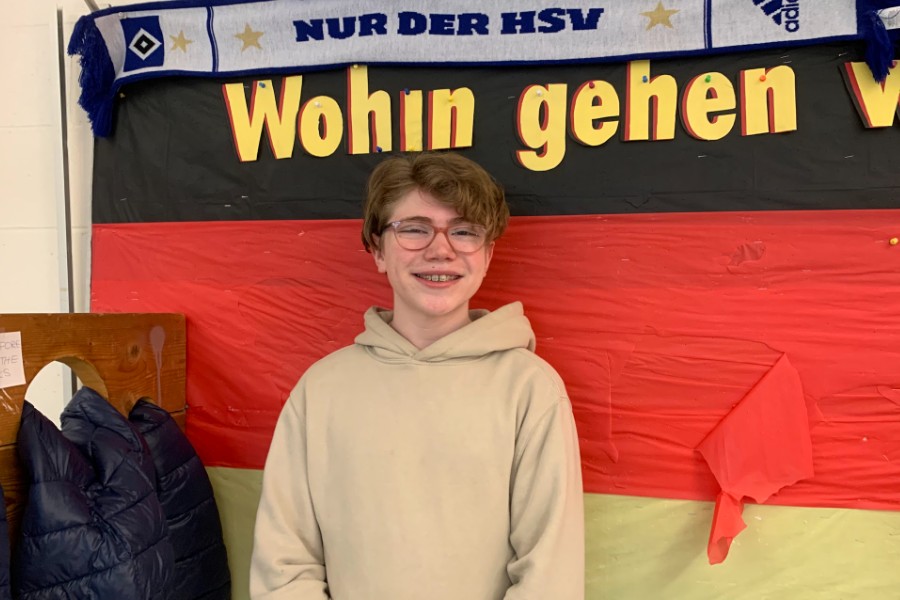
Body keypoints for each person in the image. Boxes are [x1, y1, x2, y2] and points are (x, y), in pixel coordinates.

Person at [250, 152, 584, 600]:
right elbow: (284, 565)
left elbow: (549, 576)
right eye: (414, 228)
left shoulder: (530, 390)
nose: (440, 249)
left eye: (464, 231)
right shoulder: (321, 390)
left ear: (487, 254)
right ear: (377, 249)